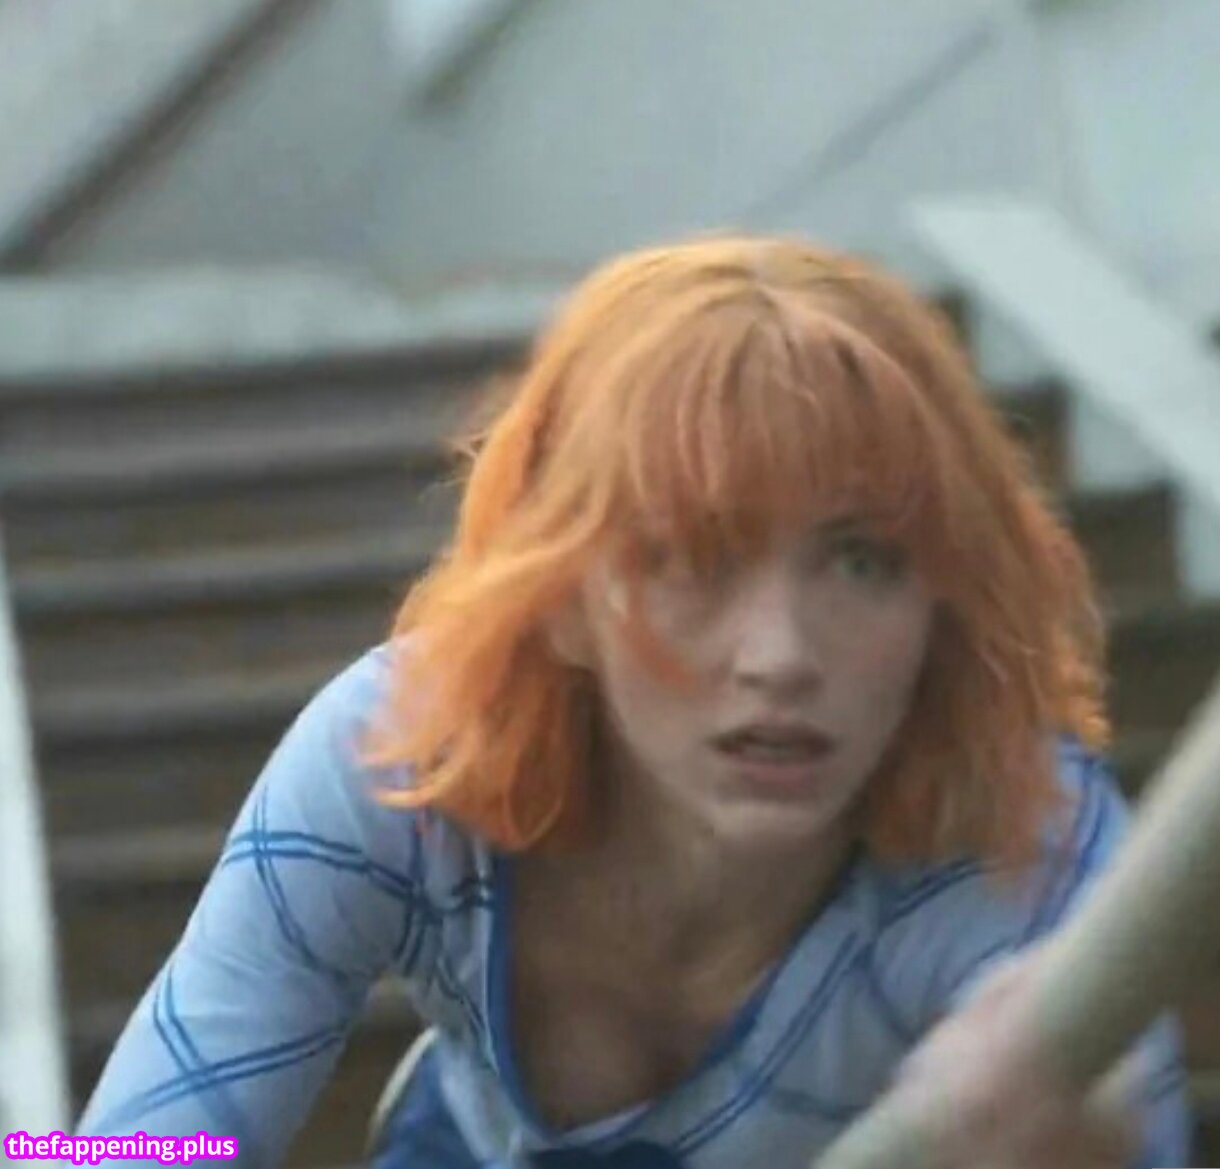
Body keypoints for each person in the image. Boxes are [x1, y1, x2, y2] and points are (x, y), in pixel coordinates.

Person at [77, 234, 1193, 1168]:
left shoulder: (1017, 835)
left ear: (941, 597)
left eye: (862, 559)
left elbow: (1131, 1134)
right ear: (561, 599)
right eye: (693, 557)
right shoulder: (400, 751)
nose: (781, 655)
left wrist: (1089, 1143)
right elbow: (130, 1142)